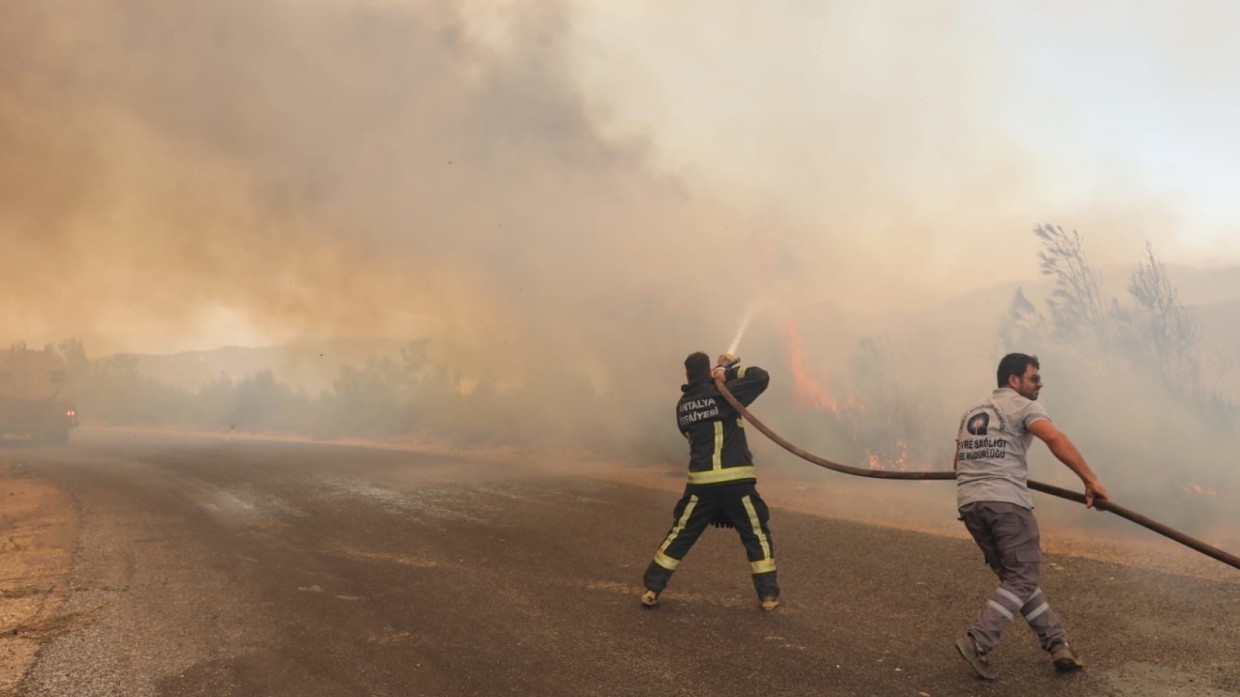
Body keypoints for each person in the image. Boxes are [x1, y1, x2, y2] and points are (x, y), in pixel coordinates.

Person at [952, 352, 1110, 680]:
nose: (1040, 383)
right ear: (1014, 381)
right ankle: (978, 642)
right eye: (1034, 378)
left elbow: (958, 464)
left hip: (971, 506)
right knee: (1022, 578)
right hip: (1006, 505)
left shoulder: (973, 411)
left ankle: (1057, 644)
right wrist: (1091, 480)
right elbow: (1053, 437)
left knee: (1017, 581)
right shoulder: (1022, 406)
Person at [640, 351, 780, 611]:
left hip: (701, 485)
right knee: (756, 533)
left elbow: (689, 432)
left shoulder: (682, 405)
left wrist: (716, 381)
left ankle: (651, 588)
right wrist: (729, 373)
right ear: (708, 372)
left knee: (681, 534)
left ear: (687, 375)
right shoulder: (725, 394)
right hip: (737, 482)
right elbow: (761, 377)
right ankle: (768, 596)